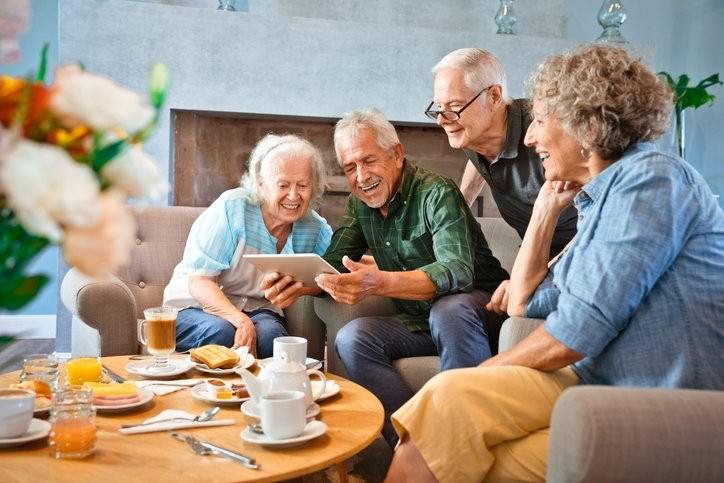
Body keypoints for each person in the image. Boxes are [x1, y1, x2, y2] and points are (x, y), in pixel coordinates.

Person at [386, 44, 724, 482]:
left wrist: (480, 375)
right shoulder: (597, 202)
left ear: (585, 124)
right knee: (448, 423)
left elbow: (578, 331)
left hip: (659, 397)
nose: (529, 137)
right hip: (595, 383)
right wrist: (545, 207)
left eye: (540, 120)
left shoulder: (650, 180)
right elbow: (524, 302)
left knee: (461, 424)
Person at [263, 108, 509, 447]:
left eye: (368, 161)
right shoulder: (360, 204)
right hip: (421, 321)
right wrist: (297, 284)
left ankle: (466, 440)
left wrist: (380, 282)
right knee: (353, 338)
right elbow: (334, 263)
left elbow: (458, 271)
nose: (361, 176)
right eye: (350, 168)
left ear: (396, 154)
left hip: (483, 313)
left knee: (448, 309)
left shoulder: (436, 193)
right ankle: (413, 445)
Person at [162, 133, 332, 358]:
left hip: (259, 309)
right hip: (194, 306)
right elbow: (200, 282)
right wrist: (242, 322)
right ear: (261, 184)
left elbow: (333, 273)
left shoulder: (315, 228)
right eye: (283, 185)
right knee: (222, 333)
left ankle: (267, 393)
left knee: (273, 339)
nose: (293, 195)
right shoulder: (233, 209)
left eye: (303, 185)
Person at [428, 48, 577, 258]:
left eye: (454, 106)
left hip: (577, 251)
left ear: (494, 97)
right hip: (535, 250)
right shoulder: (472, 133)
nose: (442, 120)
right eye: (439, 107)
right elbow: (478, 157)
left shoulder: (543, 131)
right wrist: (461, 207)